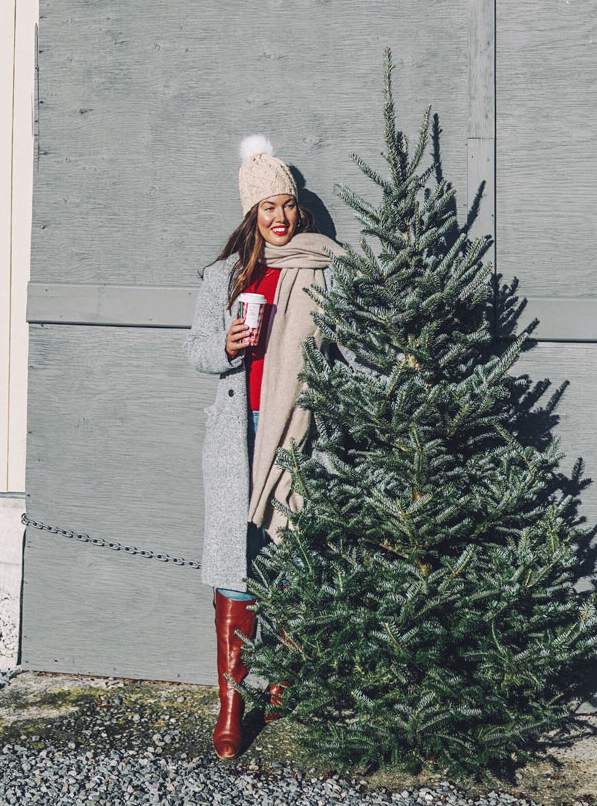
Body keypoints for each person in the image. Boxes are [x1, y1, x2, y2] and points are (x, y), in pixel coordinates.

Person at [184, 135, 341, 759]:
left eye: (287, 205)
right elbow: (196, 351)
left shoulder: (323, 268)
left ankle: (285, 679)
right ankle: (230, 701)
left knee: (293, 555)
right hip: (236, 433)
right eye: (267, 208)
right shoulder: (224, 276)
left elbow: (345, 354)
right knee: (236, 564)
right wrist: (227, 346)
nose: (280, 218)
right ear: (250, 214)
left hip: (297, 430)